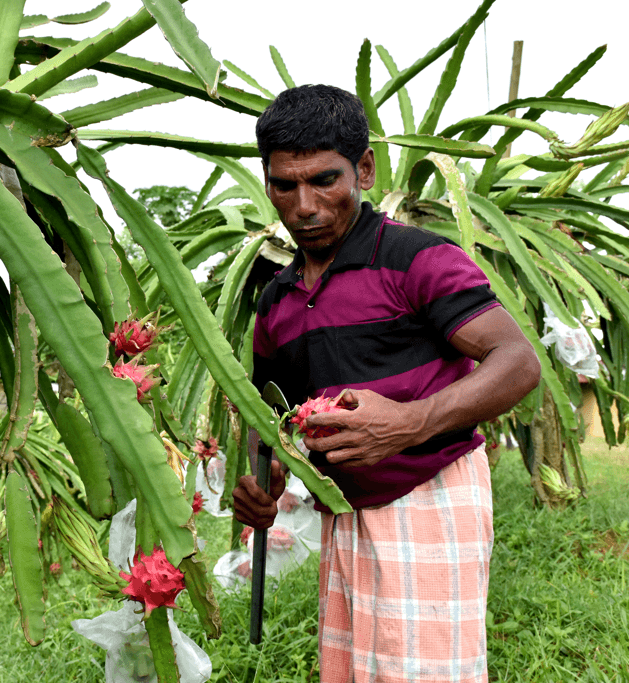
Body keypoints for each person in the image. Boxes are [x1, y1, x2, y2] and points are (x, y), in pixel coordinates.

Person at [232, 84, 541, 683]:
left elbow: (517, 361)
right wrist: (261, 478)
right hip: (343, 510)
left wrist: (409, 423)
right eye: (283, 185)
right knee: (353, 671)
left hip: (431, 494)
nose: (303, 205)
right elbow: (266, 412)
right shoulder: (275, 301)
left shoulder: (416, 259)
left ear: (365, 169)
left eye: (324, 180)